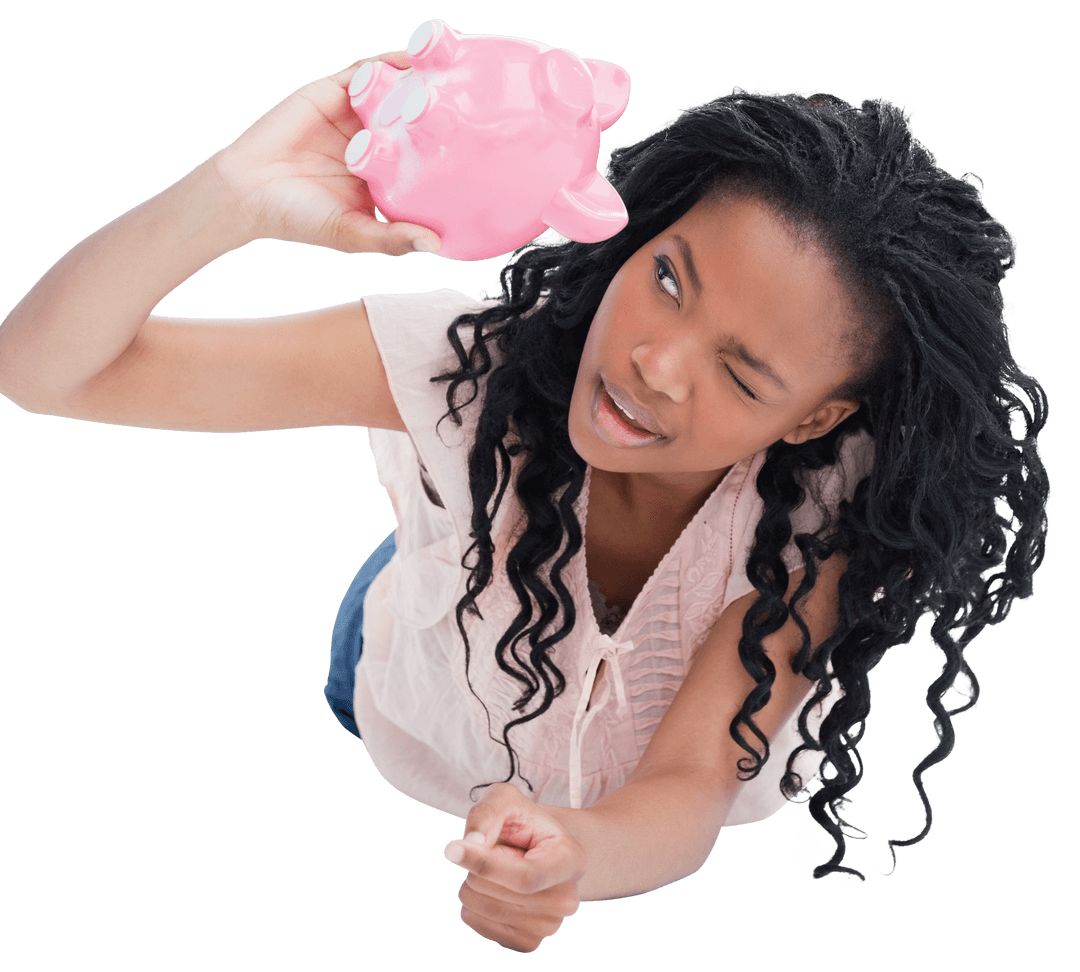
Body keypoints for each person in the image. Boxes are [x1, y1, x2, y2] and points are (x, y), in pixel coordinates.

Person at [0, 48, 1051, 954]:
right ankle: (441, 527)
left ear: (816, 421)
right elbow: (45, 371)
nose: (652, 362)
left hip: (631, 758)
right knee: (392, 605)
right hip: (420, 685)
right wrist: (234, 194)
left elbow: (688, 782)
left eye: (740, 374)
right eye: (670, 279)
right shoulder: (465, 365)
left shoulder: (827, 522)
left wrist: (574, 853)